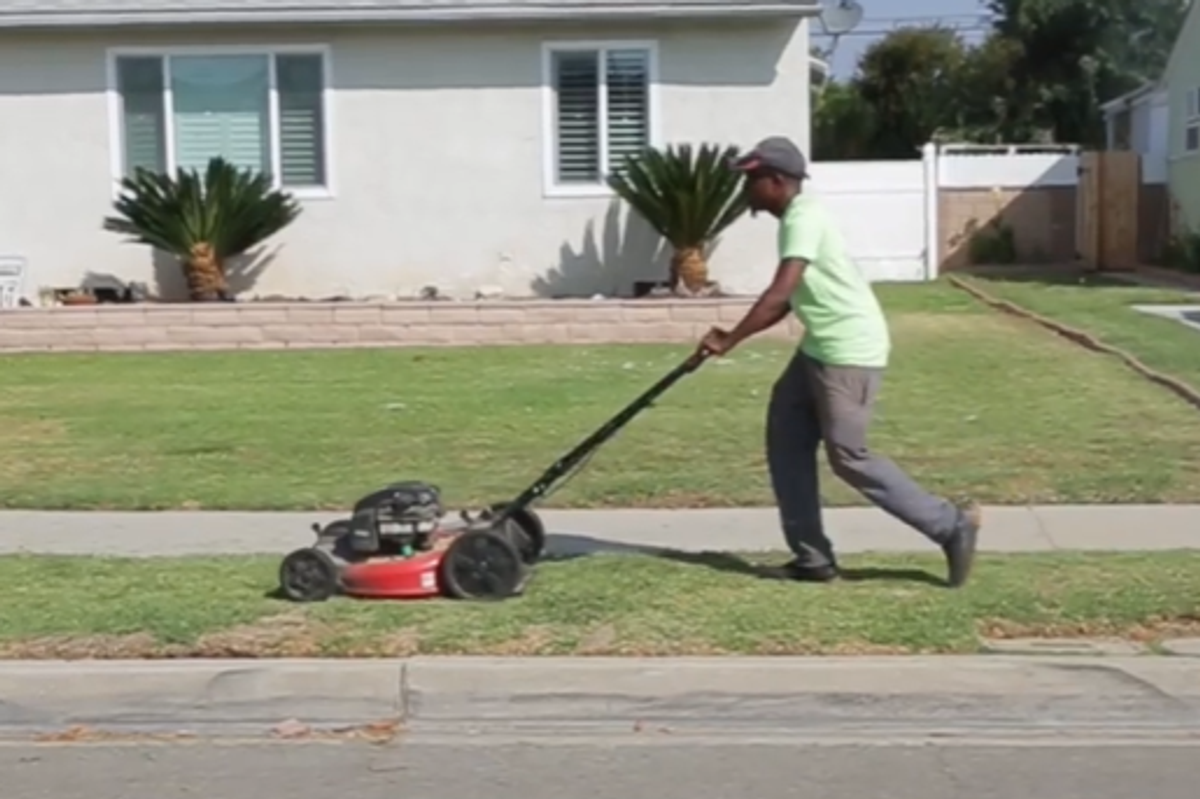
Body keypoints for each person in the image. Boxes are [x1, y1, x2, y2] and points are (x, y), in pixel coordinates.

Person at [697, 135, 981, 587]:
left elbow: (780, 295)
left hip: (848, 350)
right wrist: (736, 334)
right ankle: (812, 558)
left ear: (776, 180)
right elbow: (795, 298)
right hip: (819, 348)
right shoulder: (796, 219)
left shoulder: (802, 219)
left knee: (849, 455)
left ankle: (950, 525)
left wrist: (729, 340)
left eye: (750, 180)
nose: (745, 190)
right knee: (787, 436)